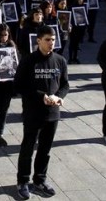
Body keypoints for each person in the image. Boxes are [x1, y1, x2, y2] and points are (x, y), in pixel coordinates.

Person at [15, 25, 69, 200]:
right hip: (33, 112)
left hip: (52, 113)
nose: (51, 43)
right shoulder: (29, 61)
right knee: (27, 148)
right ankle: (23, 181)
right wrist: (41, 96)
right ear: (38, 41)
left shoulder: (60, 60)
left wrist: (59, 97)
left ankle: (39, 180)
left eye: (53, 40)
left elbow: (65, 84)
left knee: (45, 149)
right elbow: (19, 86)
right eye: (47, 40)